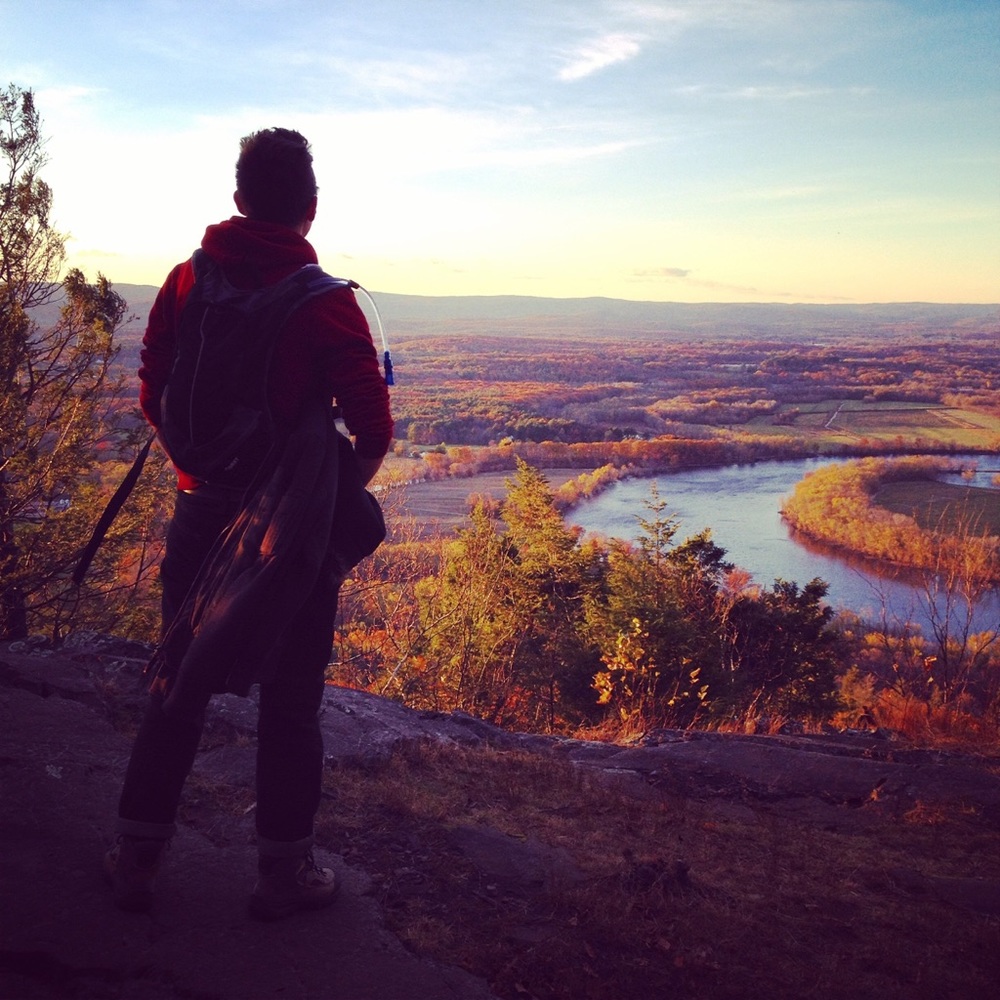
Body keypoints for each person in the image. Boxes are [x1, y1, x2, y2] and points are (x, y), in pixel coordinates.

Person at [105, 128, 393, 919]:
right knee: (292, 697)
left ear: (238, 201)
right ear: (310, 208)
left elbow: (154, 390)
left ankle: (136, 860)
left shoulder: (185, 280)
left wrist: (197, 473)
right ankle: (281, 873)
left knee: (178, 677)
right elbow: (373, 429)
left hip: (199, 511)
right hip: (285, 533)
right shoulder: (325, 301)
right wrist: (322, 498)